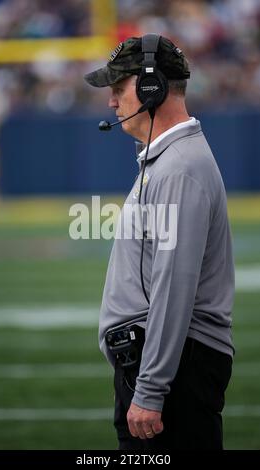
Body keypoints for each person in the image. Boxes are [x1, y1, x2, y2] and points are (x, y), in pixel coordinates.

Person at [84, 34, 235, 450]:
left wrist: (149, 389)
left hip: (173, 370)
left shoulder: (179, 169)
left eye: (119, 88)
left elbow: (174, 286)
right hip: (169, 364)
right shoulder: (169, 161)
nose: (112, 102)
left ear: (152, 87)